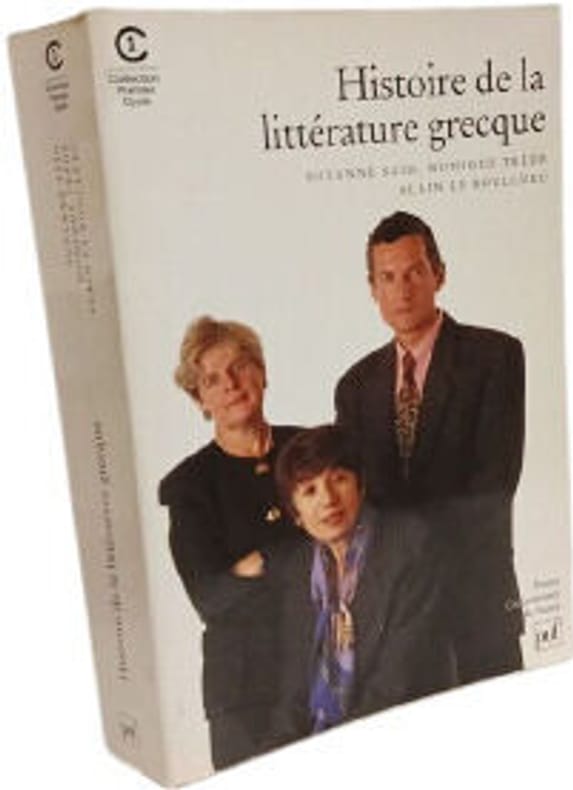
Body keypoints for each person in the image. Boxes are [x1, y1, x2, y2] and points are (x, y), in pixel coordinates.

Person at [335, 211, 525, 685]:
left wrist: (404, 550)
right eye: (388, 277)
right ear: (372, 289)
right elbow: (358, 504)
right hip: (394, 620)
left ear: (439, 274)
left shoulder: (494, 357)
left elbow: (494, 487)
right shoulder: (355, 386)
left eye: (414, 272)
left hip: (476, 605)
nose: (402, 290)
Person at [158, 316, 300, 769]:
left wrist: (253, 564)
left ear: (262, 372)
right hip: (245, 693)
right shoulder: (189, 486)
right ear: (199, 399)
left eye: (240, 367)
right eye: (212, 380)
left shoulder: (311, 449)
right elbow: (210, 596)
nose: (231, 385)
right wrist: (296, 554)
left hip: (328, 664)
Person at [269, 425, 454, 745]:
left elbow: (398, 682)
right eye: (310, 491)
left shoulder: (409, 545)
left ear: (361, 485)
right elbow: (294, 694)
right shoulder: (300, 573)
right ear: (295, 513)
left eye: (339, 478)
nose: (328, 499)